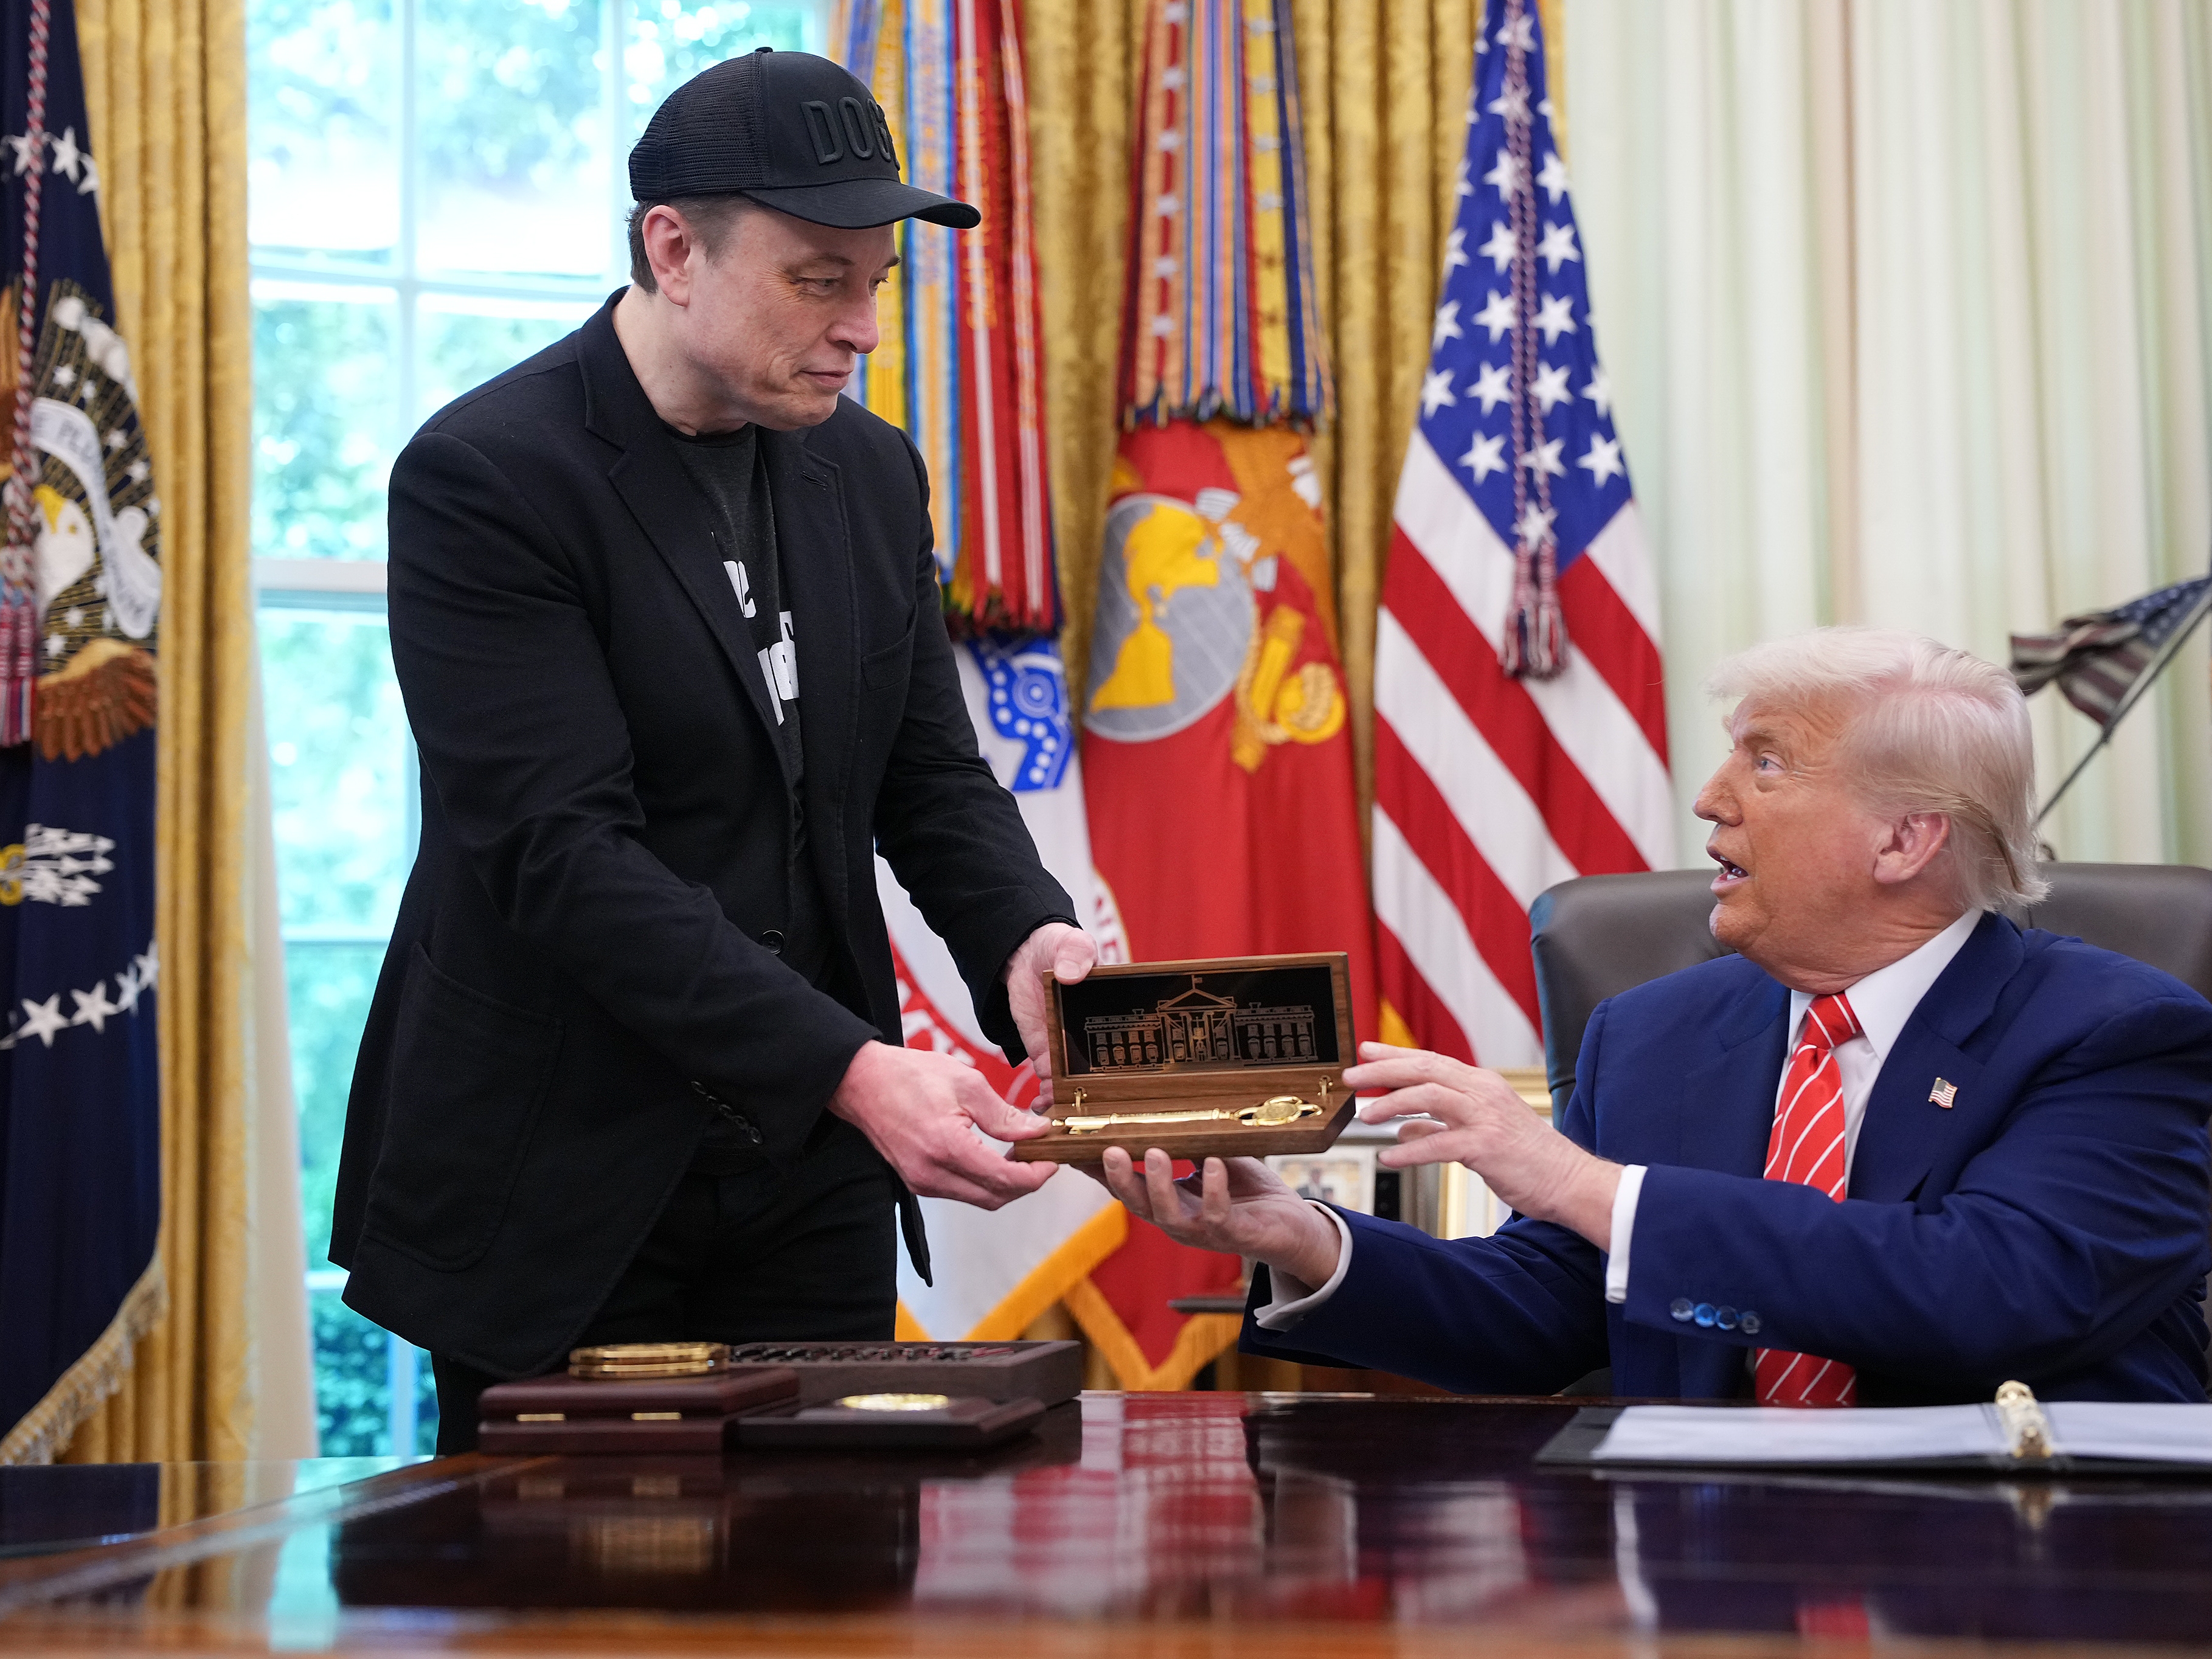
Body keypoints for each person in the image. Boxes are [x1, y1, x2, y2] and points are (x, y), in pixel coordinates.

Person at [330, 48, 1094, 1449]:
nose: (864, 325)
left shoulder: (868, 469)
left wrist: (1024, 943)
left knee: (835, 1585)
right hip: (566, 1174)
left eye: (877, 278)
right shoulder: (488, 476)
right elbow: (561, 855)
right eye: (820, 277)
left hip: (808, 1174)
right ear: (672, 249)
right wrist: (856, 1067)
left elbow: (925, 774)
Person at [1107, 628, 2212, 1404]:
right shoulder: (1654, 1032)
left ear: (1902, 841)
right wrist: (1300, 1235)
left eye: (1765, 760)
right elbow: (1541, 1313)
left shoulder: (2116, 1034)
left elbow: (1993, 1293)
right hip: (1698, 1561)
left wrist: (1580, 1182)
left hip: (2027, 1572)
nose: (1709, 795)